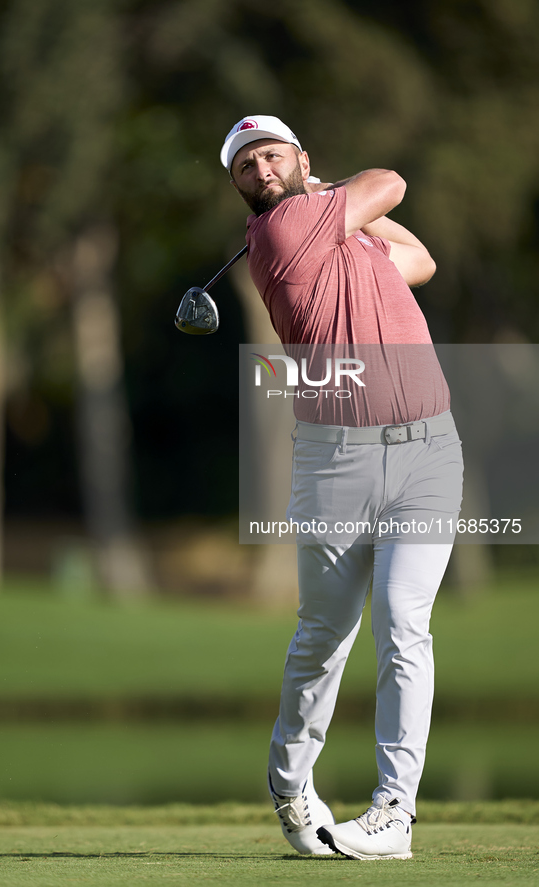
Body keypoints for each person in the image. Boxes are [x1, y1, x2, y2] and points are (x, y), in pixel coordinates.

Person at [220, 115, 463, 860]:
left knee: (402, 622)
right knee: (325, 637)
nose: (260, 168)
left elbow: (415, 258)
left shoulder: (343, 236)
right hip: (337, 463)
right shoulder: (282, 233)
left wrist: (347, 211)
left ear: (300, 156)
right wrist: (331, 193)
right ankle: (292, 786)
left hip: (429, 451)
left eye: (270, 153)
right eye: (244, 164)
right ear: (239, 188)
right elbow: (387, 182)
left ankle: (394, 812)